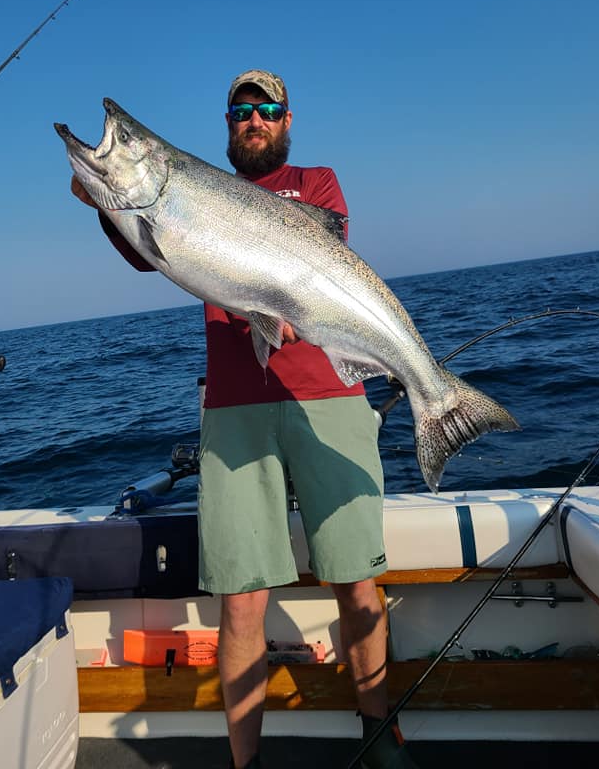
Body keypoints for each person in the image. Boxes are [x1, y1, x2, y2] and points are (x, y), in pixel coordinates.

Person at [72, 70, 417, 769]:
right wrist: (104, 201)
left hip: (328, 400)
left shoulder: (315, 184)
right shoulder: (192, 193)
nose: (253, 119)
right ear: (227, 125)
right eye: (241, 111)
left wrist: (288, 311)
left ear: (287, 120)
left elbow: (324, 269)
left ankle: (380, 737)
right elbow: (148, 249)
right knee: (239, 600)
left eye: (267, 109)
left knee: (355, 580)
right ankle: (245, 763)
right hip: (234, 410)